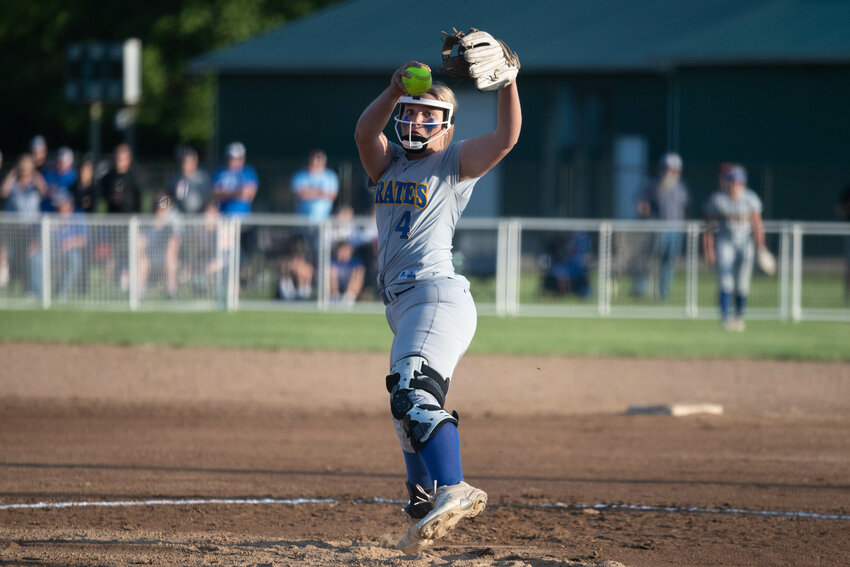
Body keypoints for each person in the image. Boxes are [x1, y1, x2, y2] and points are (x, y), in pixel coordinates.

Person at [354, 52, 521, 554]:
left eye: (430, 114)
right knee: (404, 406)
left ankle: (455, 486)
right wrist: (391, 90)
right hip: (405, 303)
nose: (417, 119)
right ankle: (424, 495)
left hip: (435, 295)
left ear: (447, 127)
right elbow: (365, 134)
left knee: (411, 391)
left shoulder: (453, 163)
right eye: (411, 110)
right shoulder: (387, 163)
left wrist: (510, 83)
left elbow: (507, 139)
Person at [703, 164, 766, 332]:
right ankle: (725, 318)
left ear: (743, 183)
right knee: (726, 281)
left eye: (738, 182)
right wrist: (708, 249)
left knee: (742, 283)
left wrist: (761, 247)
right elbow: (708, 226)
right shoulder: (717, 199)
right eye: (732, 181)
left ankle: (739, 317)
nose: (734, 185)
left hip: (744, 243)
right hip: (725, 242)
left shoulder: (750, 198)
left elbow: (758, 224)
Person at [634, 152, 690, 300]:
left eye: (675, 169)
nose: (671, 172)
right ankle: (640, 288)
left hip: (676, 229)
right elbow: (642, 204)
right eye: (669, 169)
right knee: (650, 258)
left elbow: (685, 208)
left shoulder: (681, 187)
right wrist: (645, 211)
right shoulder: (653, 184)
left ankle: (663, 293)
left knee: (669, 261)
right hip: (657, 228)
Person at [1, 154, 47, 296]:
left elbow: (44, 190)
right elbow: (3, 192)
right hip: (13, 229)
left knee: (33, 256)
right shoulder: (13, 182)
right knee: (9, 256)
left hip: (31, 229)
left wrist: (33, 173)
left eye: (27, 165)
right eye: (22, 165)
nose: (24, 168)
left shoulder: (34, 183)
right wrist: (13, 173)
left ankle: (33, 291)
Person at [138, 193, 181, 299]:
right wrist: (143, 254)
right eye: (160, 208)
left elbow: (173, 245)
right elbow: (140, 244)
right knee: (142, 262)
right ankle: (139, 292)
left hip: (164, 257)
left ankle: (171, 292)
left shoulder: (170, 227)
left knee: (171, 260)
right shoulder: (146, 225)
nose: (162, 211)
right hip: (149, 257)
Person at [50, 190, 88, 299]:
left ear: (68, 204)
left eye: (60, 205)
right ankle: (36, 293)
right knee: (36, 257)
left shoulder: (78, 216)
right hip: (51, 250)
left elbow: (83, 240)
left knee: (74, 261)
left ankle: (61, 293)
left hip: (69, 251)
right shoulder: (51, 217)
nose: (57, 208)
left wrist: (69, 243)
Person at [291, 149, 338, 221]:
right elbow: (299, 194)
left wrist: (311, 192)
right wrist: (320, 193)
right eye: (315, 159)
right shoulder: (300, 175)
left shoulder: (330, 176)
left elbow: (332, 195)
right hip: (302, 220)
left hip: (324, 219)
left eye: (320, 159)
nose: (317, 162)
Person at [212, 142, 257, 217]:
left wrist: (226, 193)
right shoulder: (219, 172)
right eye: (231, 158)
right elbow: (216, 194)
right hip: (223, 216)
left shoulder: (248, 172)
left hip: (243, 218)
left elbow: (247, 194)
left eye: (238, 158)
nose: (234, 161)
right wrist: (237, 193)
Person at [167, 147, 211, 214]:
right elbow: (167, 196)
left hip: (200, 212)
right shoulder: (176, 177)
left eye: (187, 162)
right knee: (162, 209)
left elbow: (209, 197)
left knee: (210, 212)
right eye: (183, 162)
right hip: (179, 212)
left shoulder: (202, 178)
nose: (184, 165)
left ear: (195, 162)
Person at [99, 143, 141, 214]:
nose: (118, 161)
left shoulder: (134, 179)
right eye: (117, 158)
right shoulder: (108, 177)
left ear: (128, 159)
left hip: (129, 218)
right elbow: (102, 195)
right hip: (112, 218)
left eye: (121, 159)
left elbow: (138, 202)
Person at [42, 147, 78, 213]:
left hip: (68, 213)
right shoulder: (48, 174)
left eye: (64, 162)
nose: (60, 164)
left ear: (70, 162)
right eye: (59, 161)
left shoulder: (75, 176)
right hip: (49, 211)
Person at [330, 239, 365, 305]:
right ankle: (335, 297)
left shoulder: (355, 262)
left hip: (349, 289)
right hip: (336, 289)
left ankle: (349, 297)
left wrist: (348, 293)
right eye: (342, 250)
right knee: (331, 271)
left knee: (357, 272)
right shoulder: (333, 262)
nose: (344, 253)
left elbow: (359, 275)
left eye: (347, 250)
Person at [837, 183, 850, 306]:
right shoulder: (847, 191)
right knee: (848, 267)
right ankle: (846, 296)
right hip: (848, 230)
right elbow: (839, 210)